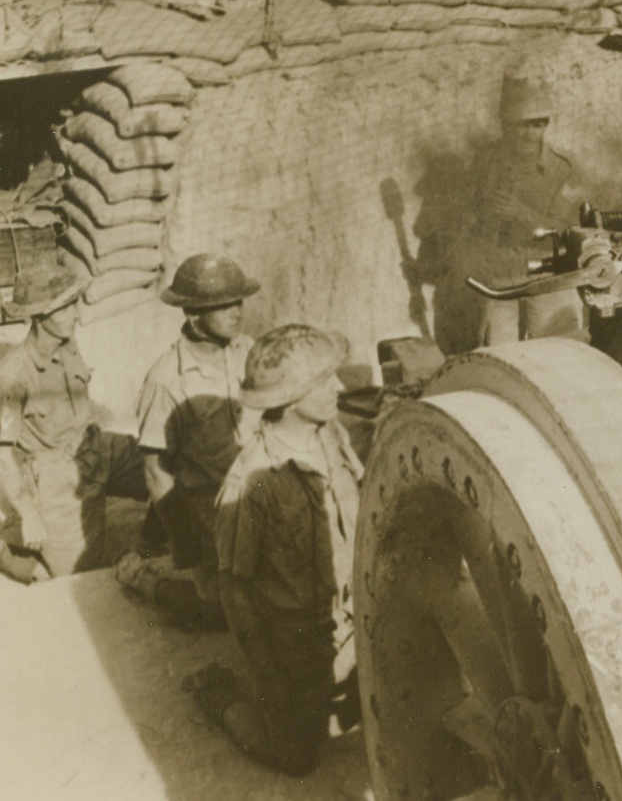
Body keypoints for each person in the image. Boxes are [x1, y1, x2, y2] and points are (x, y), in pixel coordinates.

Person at [191, 323, 363, 776]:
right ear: (288, 398)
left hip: (354, 623)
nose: (339, 387)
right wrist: (269, 679)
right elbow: (234, 589)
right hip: (297, 649)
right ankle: (219, 693)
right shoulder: (251, 480)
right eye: (324, 381)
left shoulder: (332, 436)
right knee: (298, 756)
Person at [116, 252, 259, 628]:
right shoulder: (166, 380)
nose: (236, 312)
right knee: (221, 615)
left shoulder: (247, 351)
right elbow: (156, 473)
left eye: (238, 301)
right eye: (223, 305)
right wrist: (184, 541)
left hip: (259, 498)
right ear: (193, 314)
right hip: (207, 512)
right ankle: (142, 578)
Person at [0, 259, 149, 579]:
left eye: (74, 304)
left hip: (96, 447)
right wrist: (29, 514)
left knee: (168, 465)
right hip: (57, 476)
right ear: (39, 314)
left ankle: (150, 543)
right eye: (64, 307)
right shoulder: (13, 374)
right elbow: (2, 455)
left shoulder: (67, 345)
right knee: (76, 574)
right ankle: (8, 554)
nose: (75, 315)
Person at [464, 70, 586, 344]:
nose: (529, 134)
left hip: (548, 278)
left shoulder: (562, 169)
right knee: (498, 356)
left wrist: (524, 215)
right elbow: (470, 216)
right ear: (506, 126)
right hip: (498, 279)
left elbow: (572, 231)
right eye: (521, 125)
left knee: (558, 353)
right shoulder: (486, 162)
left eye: (537, 125)